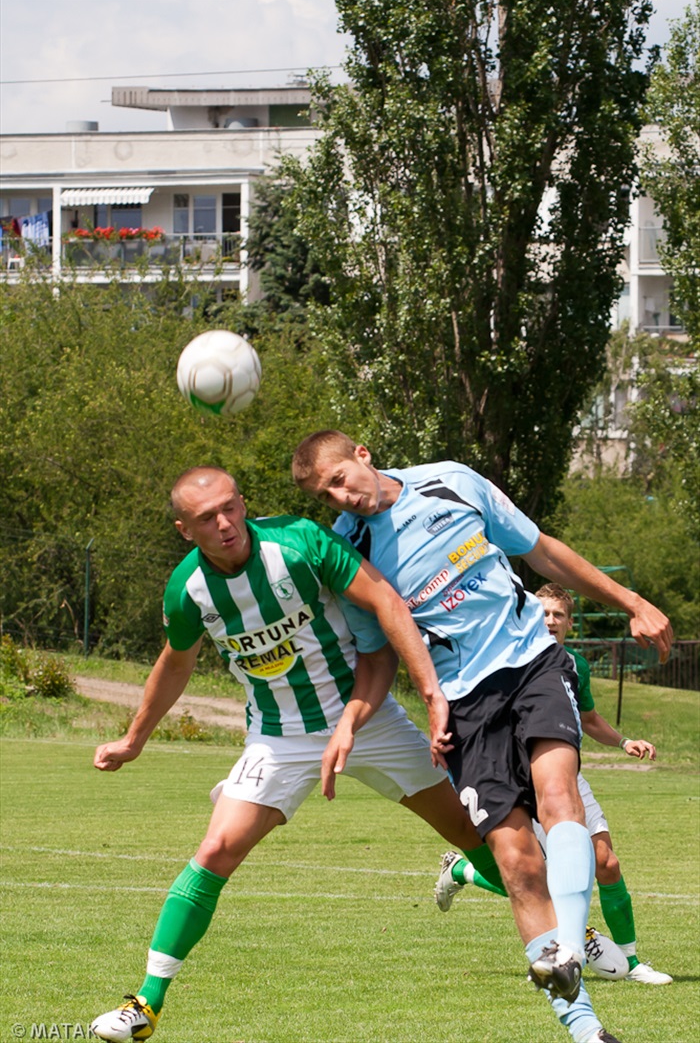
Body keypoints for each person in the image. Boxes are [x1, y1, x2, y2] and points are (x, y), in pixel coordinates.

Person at [90, 465, 500, 1042]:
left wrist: (429, 690)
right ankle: (146, 1004)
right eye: (208, 518)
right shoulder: (188, 589)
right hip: (279, 737)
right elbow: (175, 662)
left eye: (231, 507)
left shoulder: (299, 541)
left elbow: (384, 601)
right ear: (186, 530)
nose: (226, 523)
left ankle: (539, 915)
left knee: (478, 837)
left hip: (369, 718)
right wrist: (134, 739)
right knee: (215, 850)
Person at [293, 431, 673, 1043]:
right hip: (463, 705)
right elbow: (378, 653)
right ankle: (585, 1031)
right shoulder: (350, 552)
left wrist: (631, 600)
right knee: (516, 862)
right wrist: (351, 722)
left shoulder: (450, 480)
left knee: (558, 795)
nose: (342, 497)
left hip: (531, 662)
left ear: (362, 454)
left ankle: (570, 950)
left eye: (340, 478)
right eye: (326, 495)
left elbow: (542, 551)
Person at [434, 583, 672, 986]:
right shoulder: (504, 656)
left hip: (567, 774)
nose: (550, 620)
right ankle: (474, 881)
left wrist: (624, 741)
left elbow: (590, 719)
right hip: (521, 778)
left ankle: (631, 962)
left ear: (568, 621)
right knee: (532, 871)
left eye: (558, 614)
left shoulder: (575, 664)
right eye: (542, 612)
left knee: (606, 863)